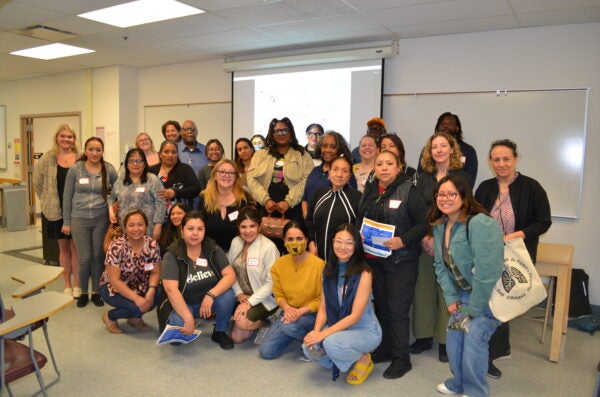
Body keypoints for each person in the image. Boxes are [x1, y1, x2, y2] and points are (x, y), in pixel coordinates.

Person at [474, 139, 551, 378]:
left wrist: (519, 234)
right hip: (488, 254)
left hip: (517, 256)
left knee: (503, 302)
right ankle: (488, 352)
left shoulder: (532, 187)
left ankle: (494, 352)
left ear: (515, 159)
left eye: (506, 158)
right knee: (490, 302)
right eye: (496, 159)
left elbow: (543, 221)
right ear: (491, 162)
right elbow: (475, 217)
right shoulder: (485, 187)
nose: (501, 163)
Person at [430, 174, 504, 397]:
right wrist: (451, 297)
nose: (445, 198)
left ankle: (476, 392)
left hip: (487, 295)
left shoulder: (480, 223)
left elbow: (488, 272)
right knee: (455, 339)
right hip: (462, 293)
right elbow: (440, 265)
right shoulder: (440, 224)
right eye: (441, 194)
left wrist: (474, 308)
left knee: (473, 339)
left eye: (451, 193)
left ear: (464, 196)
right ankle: (459, 383)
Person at [357, 150, 427, 379]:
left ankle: (401, 359)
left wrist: (403, 240)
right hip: (374, 260)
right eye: (380, 164)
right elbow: (361, 217)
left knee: (397, 310)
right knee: (383, 308)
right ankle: (386, 350)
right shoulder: (370, 189)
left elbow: (424, 224)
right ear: (374, 168)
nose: (384, 168)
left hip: (401, 261)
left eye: (389, 164)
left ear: (399, 167)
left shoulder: (409, 190)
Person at [411, 132, 471, 362]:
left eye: (443, 146)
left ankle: (446, 341)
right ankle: (424, 336)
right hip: (426, 239)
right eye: (434, 146)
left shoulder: (461, 176)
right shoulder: (423, 176)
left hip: (451, 238)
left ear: (452, 149)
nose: (438, 150)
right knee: (423, 287)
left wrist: (442, 234)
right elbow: (417, 207)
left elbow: (463, 207)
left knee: (448, 289)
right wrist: (426, 235)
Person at [302, 224, 382, 385]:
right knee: (308, 347)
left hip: (365, 330)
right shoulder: (327, 270)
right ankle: (344, 358)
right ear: (332, 243)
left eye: (349, 242)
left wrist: (322, 335)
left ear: (356, 245)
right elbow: (324, 308)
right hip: (338, 325)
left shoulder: (364, 273)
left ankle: (363, 358)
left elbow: (355, 316)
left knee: (330, 343)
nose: (343, 247)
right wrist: (316, 332)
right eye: (339, 241)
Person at [159, 211, 237, 349]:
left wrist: (211, 294)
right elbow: (171, 290)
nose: (195, 233)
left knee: (228, 295)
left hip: (207, 301)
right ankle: (187, 319)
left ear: (204, 231)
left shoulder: (212, 248)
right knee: (177, 339)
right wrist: (188, 318)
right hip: (184, 303)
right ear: (182, 230)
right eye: (190, 228)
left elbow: (230, 275)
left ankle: (219, 331)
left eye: (200, 229)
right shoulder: (172, 254)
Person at [62, 137, 118, 308]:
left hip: (101, 218)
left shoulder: (108, 169)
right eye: (91, 149)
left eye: (98, 150)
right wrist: (67, 222)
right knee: (84, 257)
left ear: (103, 151)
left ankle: (96, 292)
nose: (94, 153)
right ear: (85, 151)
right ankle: (84, 292)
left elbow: (117, 190)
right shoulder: (75, 170)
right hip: (79, 218)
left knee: (97, 256)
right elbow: (67, 197)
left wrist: (112, 207)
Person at [259, 221, 325, 359]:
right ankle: (303, 336)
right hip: (288, 311)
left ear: (306, 240)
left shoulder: (319, 265)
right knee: (266, 352)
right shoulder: (279, 264)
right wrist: (288, 309)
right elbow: (278, 293)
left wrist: (300, 311)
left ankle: (316, 341)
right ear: (284, 241)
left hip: (311, 313)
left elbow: (322, 300)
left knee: (289, 327)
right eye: (290, 239)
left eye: (299, 239)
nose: (295, 243)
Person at [246, 117, 314, 248]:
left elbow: (307, 180)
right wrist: (265, 200)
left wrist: (288, 201)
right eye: (277, 131)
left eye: (284, 130)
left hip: (293, 209)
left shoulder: (302, 155)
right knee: (267, 249)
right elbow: (251, 178)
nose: (281, 134)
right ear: (271, 134)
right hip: (267, 209)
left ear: (291, 133)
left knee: (293, 248)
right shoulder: (260, 155)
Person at [33, 123, 81, 298]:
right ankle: (67, 284)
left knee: (76, 249)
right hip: (56, 212)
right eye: (63, 136)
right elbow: (37, 182)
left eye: (69, 137)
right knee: (64, 248)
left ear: (74, 139)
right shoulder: (48, 158)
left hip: (76, 212)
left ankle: (78, 284)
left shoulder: (80, 158)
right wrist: (47, 200)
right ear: (57, 138)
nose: (66, 140)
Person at [99, 209, 161, 334]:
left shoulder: (152, 245)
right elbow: (114, 280)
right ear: (125, 227)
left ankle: (134, 318)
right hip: (112, 288)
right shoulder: (117, 246)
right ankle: (110, 316)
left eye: (140, 224)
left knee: (158, 294)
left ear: (146, 226)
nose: (136, 229)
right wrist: (137, 298)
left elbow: (155, 272)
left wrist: (152, 289)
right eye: (131, 225)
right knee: (137, 306)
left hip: (140, 285)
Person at [228, 206, 280, 344]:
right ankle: (247, 319)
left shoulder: (269, 248)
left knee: (242, 323)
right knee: (237, 338)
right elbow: (230, 272)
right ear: (238, 227)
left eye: (252, 226)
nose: (248, 231)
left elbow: (271, 284)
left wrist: (249, 303)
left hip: (263, 299)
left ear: (259, 226)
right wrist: (239, 293)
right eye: (243, 227)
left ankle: (268, 323)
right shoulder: (235, 242)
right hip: (242, 296)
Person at [306, 156, 361, 261]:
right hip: (318, 255)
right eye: (335, 169)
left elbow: (359, 228)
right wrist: (312, 242)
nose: (339, 175)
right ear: (329, 172)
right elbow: (309, 221)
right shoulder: (319, 193)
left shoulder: (357, 198)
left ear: (349, 176)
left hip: (344, 258)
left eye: (345, 171)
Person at [109, 149, 166, 241]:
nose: (135, 164)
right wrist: (111, 211)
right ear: (127, 164)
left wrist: (158, 225)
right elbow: (111, 198)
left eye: (139, 161)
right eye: (132, 161)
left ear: (144, 163)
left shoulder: (152, 179)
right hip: (125, 228)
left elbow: (161, 203)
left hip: (148, 228)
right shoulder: (121, 179)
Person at [198, 159, 251, 252]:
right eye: (222, 172)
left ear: (236, 177)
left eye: (231, 173)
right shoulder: (205, 198)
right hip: (210, 253)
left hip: (239, 253)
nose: (227, 175)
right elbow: (199, 228)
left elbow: (252, 229)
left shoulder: (245, 199)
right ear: (214, 175)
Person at [301, 130, 355, 218]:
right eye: (324, 146)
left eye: (333, 147)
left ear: (340, 149)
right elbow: (305, 198)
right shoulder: (315, 171)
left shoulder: (346, 174)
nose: (328, 150)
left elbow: (350, 203)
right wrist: (307, 218)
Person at [418, 112, 478, 185]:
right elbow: (420, 173)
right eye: (442, 124)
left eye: (450, 124)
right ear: (438, 128)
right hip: (428, 192)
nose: (446, 126)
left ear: (457, 128)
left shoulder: (469, 150)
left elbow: (469, 181)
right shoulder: (428, 149)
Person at [148, 140, 201, 218]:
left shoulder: (185, 169)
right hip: (155, 216)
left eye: (173, 152)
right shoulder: (152, 171)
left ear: (177, 154)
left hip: (181, 216)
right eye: (166, 152)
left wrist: (175, 193)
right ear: (160, 154)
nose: (170, 155)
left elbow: (196, 189)